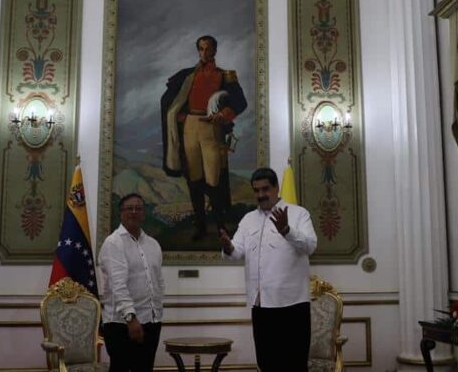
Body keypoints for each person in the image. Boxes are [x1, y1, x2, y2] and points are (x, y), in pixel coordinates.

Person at [220, 167, 317, 372]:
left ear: (276, 188)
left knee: (294, 365)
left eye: (265, 189)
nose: (261, 195)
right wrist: (228, 246)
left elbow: (310, 246)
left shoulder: (298, 214)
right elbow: (237, 252)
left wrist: (287, 230)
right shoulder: (248, 219)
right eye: (256, 190)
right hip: (261, 304)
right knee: (266, 364)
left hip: (292, 304)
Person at [161, 35, 248, 241]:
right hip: (190, 127)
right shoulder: (187, 75)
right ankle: (200, 227)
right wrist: (179, 114)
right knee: (194, 178)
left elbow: (240, 102)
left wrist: (224, 114)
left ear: (215, 50)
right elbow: (170, 99)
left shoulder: (225, 75)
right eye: (201, 49)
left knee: (214, 178)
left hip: (212, 128)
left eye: (208, 49)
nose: (204, 53)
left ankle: (220, 227)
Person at [99, 193, 164, 372]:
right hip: (122, 324)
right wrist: (131, 318)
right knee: (121, 368)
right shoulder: (113, 243)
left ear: (144, 214)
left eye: (138, 208)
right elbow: (118, 285)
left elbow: (158, 282)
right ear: (121, 213)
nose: (134, 212)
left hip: (151, 321)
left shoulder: (153, 245)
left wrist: (157, 313)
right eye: (129, 208)